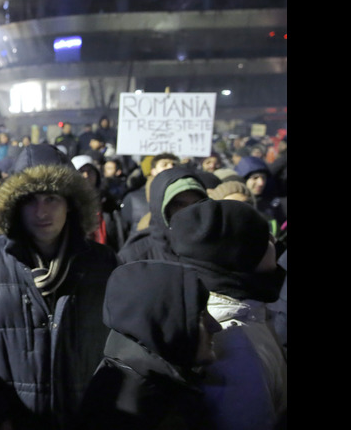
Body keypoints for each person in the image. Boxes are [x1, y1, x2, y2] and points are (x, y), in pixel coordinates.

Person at [0, 142, 118, 429]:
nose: (42, 211)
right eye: (31, 199)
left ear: (70, 203)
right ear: (15, 205)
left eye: (52, 198)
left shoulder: (103, 264)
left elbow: (119, 349)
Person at [168, 200, 287, 430]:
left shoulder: (248, 312)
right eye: (264, 239)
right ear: (242, 255)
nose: (274, 241)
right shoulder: (230, 341)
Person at [75, 260, 223, 430]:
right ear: (161, 323)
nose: (216, 326)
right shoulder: (142, 411)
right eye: (200, 315)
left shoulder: (143, 381)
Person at [117, 166, 208, 264]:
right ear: (161, 209)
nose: (190, 211)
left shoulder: (217, 249)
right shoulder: (134, 258)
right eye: (179, 205)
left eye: (197, 203)